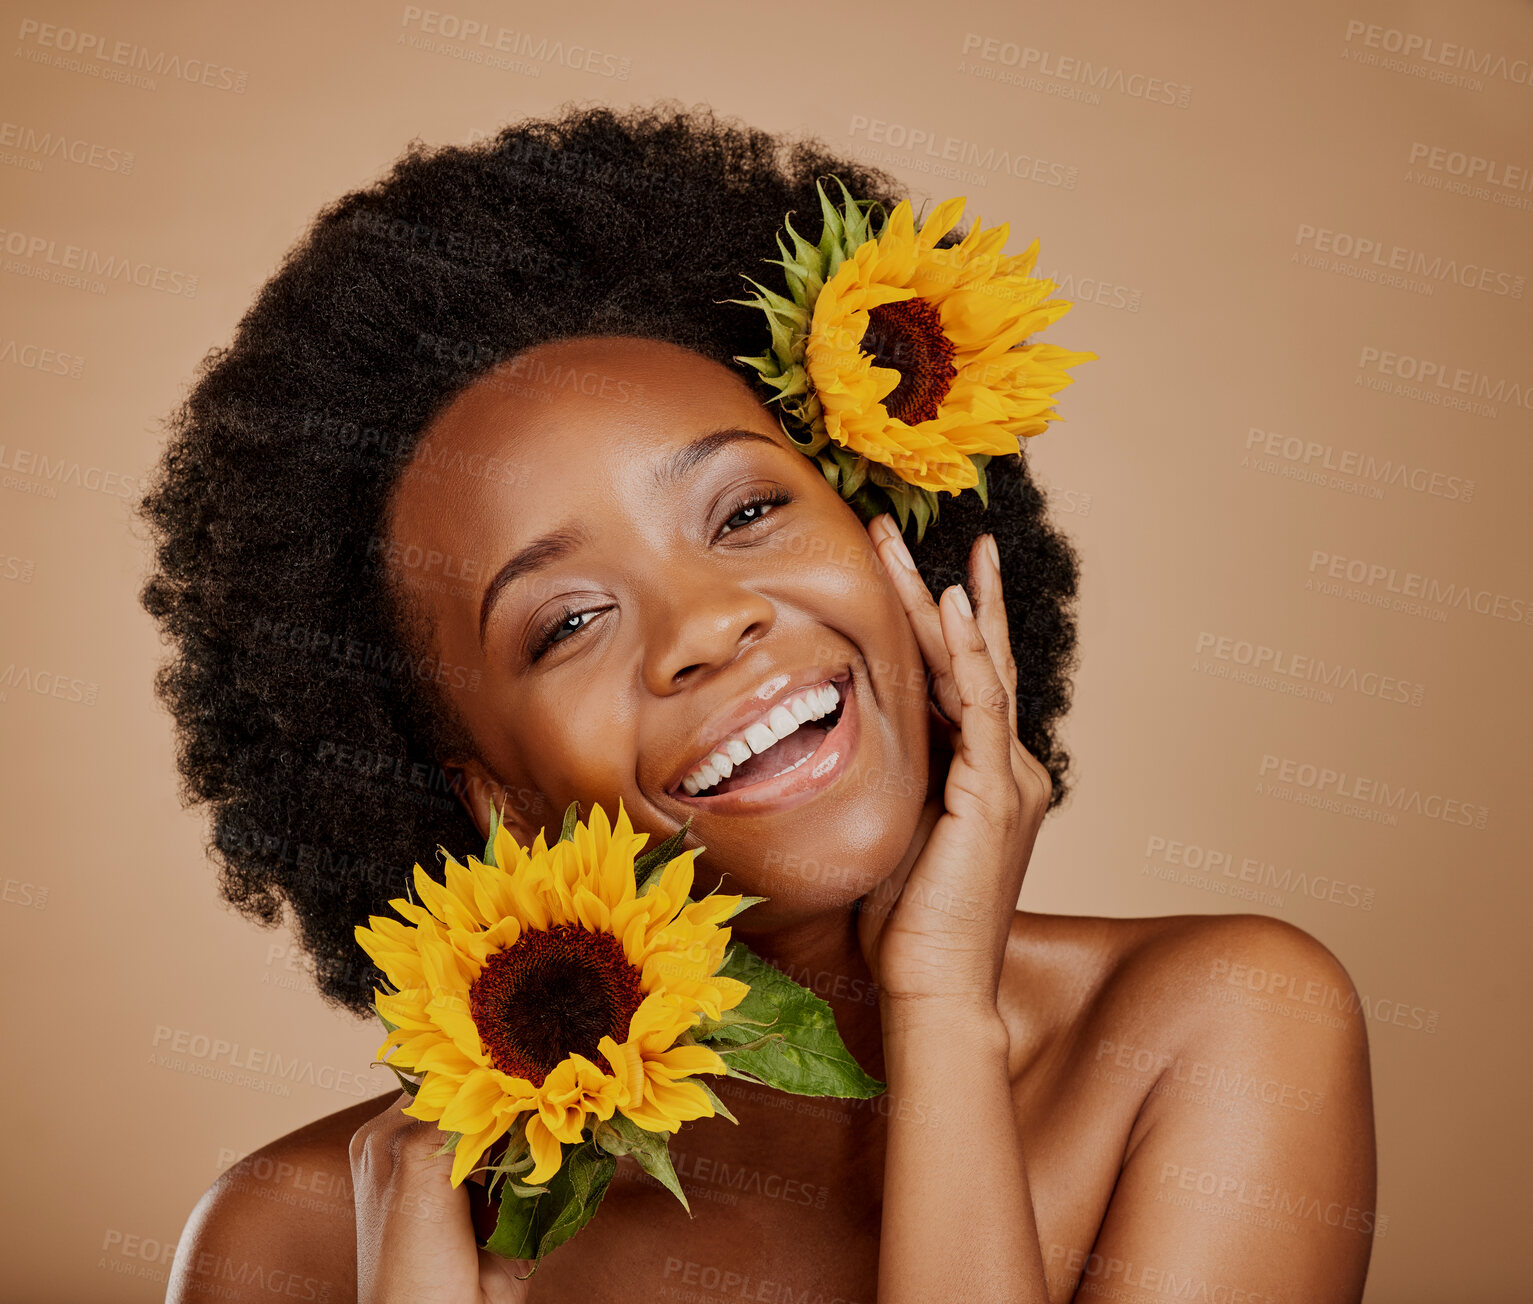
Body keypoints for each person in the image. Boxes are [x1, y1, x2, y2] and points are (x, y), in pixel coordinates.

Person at [143, 103, 1375, 1303]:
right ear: (498, 799)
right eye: (568, 621)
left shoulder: (1217, 1030)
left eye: (746, 512)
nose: (707, 625)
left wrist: (943, 1003)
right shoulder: (293, 1241)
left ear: (902, 543)